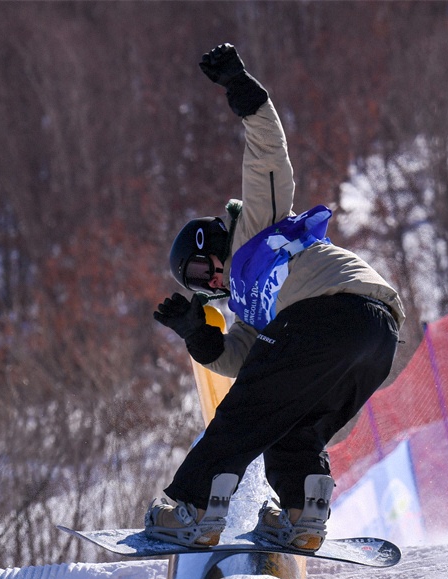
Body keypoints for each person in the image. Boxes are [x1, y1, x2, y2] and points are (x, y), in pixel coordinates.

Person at [147, 44, 405, 551]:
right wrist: (199, 336)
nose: (210, 281)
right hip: (376, 339)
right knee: (293, 424)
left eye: (202, 266)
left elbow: (269, 158)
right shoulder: (250, 309)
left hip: (327, 313)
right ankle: (301, 514)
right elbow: (242, 360)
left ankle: (191, 509)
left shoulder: (253, 230)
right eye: (198, 284)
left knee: (244, 415)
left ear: (212, 240)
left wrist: (242, 89)